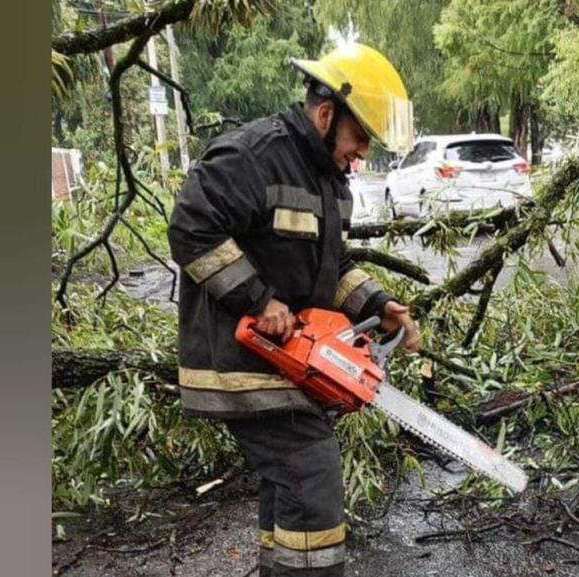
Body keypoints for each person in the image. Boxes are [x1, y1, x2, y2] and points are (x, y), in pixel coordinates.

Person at [166, 43, 421, 577]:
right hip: (238, 362)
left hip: (280, 364)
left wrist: (379, 305)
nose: (362, 154)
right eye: (359, 138)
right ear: (326, 116)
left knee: (289, 479)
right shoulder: (255, 156)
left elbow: (332, 269)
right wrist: (259, 300)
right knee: (310, 470)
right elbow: (191, 228)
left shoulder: (330, 183)